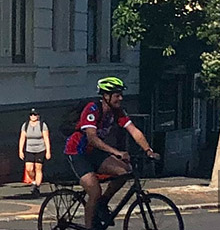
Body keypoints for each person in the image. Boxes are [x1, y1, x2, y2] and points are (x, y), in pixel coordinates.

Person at [64, 77, 156, 230]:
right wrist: (117, 152)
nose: (120, 98)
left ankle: (102, 204)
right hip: (77, 152)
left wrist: (148, 150)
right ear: (106, 96)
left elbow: (134, 131)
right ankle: (90, 227)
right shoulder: (92, 109)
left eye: (121, 94)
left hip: (95, 152)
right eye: (117, 95)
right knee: (94, 190)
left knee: (124, 171)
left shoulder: (117, 112)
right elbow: (92, 138)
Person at [19, 108, 49, 189]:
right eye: (31, 115)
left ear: (38, 116)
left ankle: (37, 187)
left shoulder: (42, 125)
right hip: (29, 149)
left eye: (35, 115)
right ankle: (33, 181)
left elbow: (46, 138)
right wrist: (20, 151)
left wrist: (48, 151)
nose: (33, 116)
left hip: (40, 149)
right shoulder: (25, 125)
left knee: (38, 168)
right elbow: (22, 138)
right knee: (29, 168)